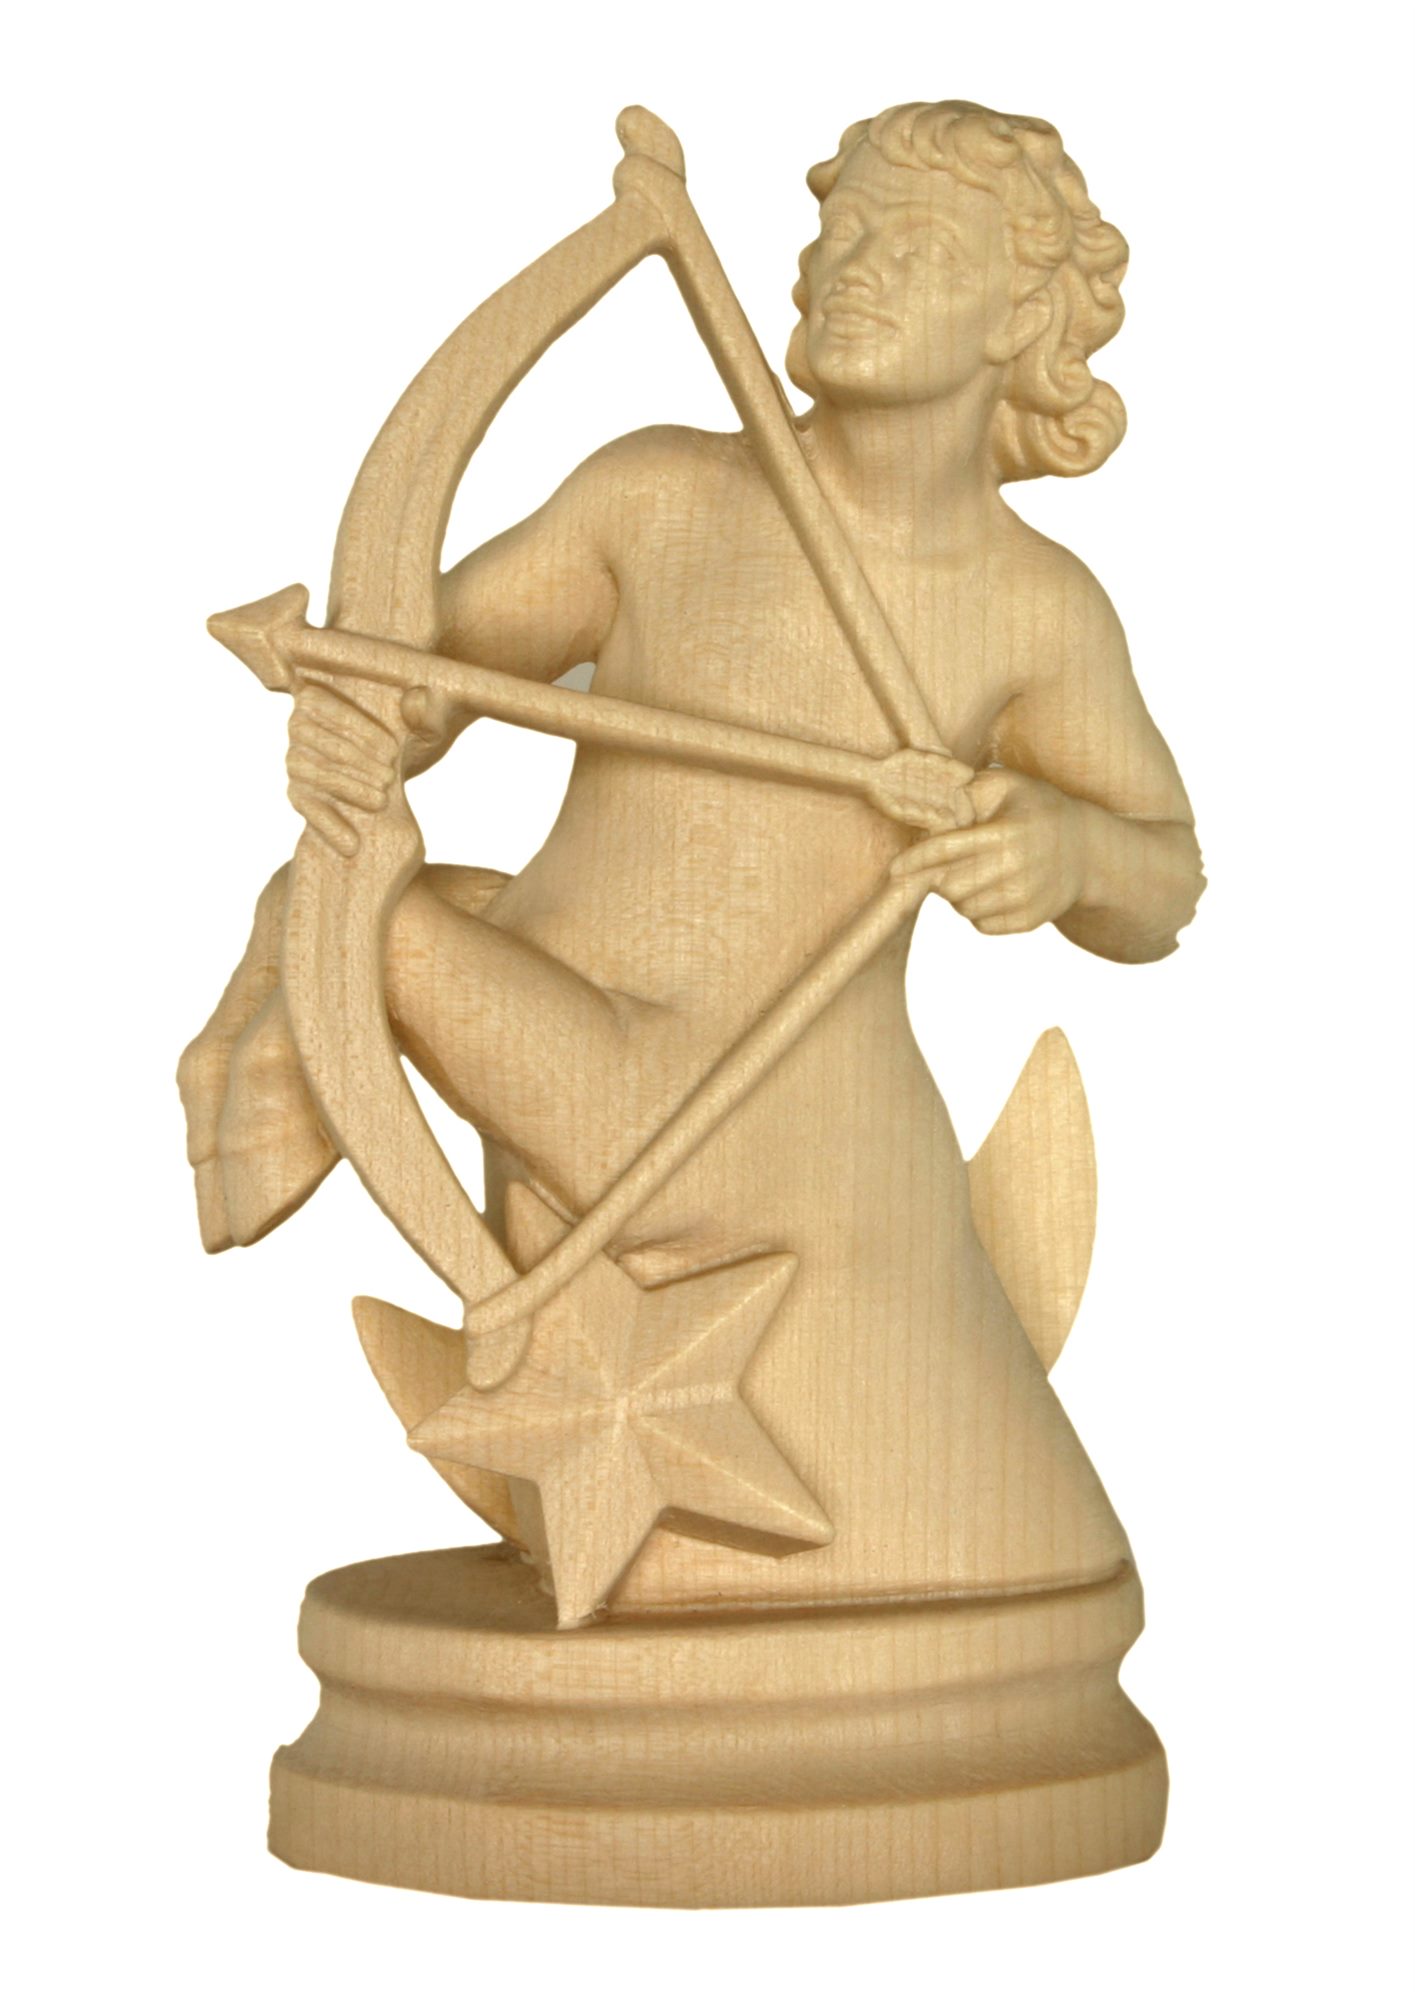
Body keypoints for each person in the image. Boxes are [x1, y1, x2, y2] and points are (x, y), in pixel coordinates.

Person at [180, 101, 1203, 1613]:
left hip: (734, 1107)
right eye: (842, 231)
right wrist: (356, 709)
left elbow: (1163, 878)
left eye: (917, 246)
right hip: (586, 1036)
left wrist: (1059, 847)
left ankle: (255, 1068)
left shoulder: (1032, 605)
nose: (854, 265)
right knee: (386, 897)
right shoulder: (655, 493)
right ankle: (277, 1047)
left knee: (354, 918)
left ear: (1019, 320)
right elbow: (427, 672)